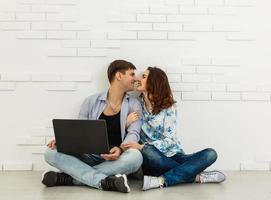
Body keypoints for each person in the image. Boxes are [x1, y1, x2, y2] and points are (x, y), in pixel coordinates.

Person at [42, 60, 143, 193]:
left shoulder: (134, 104)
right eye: (132, 74)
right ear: (119, 76)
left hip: (115, 160)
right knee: (50, 152)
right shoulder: (91, 101)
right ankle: (103, 181)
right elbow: (80, 131)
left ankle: (69, 178)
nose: (135, 78)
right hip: (89, 156)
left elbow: (134, 134)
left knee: (135, 157)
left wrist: (120, 149)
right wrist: (64, 141)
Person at [123, 67, 226, 191]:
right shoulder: (135, 105)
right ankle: (196, 176)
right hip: (151, 159)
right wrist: (126, 123)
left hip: (174, 154)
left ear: (153, 82)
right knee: (148, 152)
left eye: (144, 77)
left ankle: (161, 180)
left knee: (211, 153)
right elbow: (128, 133)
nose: (139, 79)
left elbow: (170, 140)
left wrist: (142, 146)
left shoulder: (168, 107)